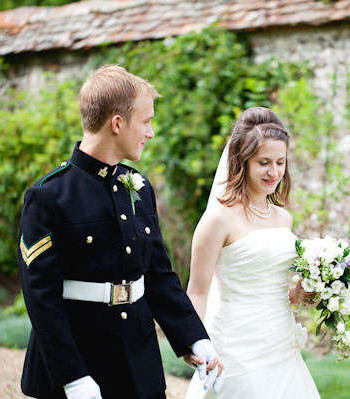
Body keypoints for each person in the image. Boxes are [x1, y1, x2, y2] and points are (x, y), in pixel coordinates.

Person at [17, 64, 223, 399]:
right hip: (78, 367)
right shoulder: (48, 196)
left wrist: (194, 338)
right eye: (146, 121)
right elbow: (41, 298)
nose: (151, 132)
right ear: (117, 123)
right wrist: (73, 378)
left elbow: (157, 275)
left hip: (139, 364)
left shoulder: (140, 188)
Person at [184, 107, 320, 398]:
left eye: (280, 162)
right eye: (264, 163)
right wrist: (193, 341)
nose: (274, 172)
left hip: (281, 344)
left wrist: (301, 293)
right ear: (242, 162)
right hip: (236, 346)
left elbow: (275, 286)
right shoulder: (218, 219)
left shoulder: (284, 218)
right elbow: (197, 291)